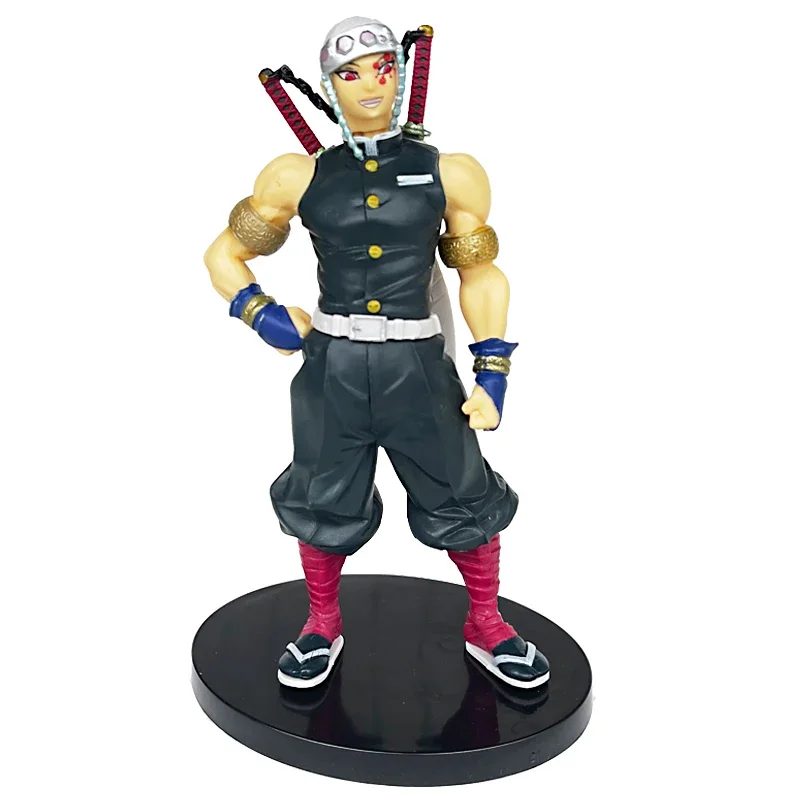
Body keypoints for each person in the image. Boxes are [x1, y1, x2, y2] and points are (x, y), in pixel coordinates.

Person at [204, 16, 549, 691]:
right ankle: (321, 623)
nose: (370, 84)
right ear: (328, 85)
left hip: (417, 369)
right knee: (321, 499)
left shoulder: (450, 172)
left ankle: (486, 622)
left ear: (403, 75)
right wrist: (259, 312)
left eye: (385, 68)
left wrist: (493, 370)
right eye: (351, 73)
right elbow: (224, 253)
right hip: (330, 366)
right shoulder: (296, 175)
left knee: (463, 494)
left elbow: (479, 273)